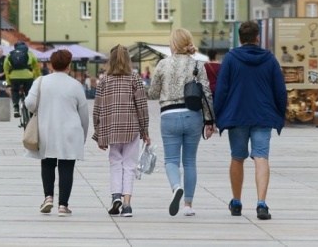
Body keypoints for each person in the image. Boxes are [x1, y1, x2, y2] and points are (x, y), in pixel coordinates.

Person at [214, 20, 287, 221]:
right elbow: (280, 90)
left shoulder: (230, 59)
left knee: (237, 157)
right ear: (257, 38)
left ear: (239, 38)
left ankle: (236, 202)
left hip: (237, 115)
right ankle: (261, 203)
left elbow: (221, 90)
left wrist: (215, 115)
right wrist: (280, 113)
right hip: (263, 115)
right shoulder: (270, 59)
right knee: (261, 157)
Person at [148, 28, 214, 217]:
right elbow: (207, 94)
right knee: (190, 161)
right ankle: (188, 205)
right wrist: (210, 121)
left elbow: (152, 93)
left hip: (169, 116)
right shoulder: (197, 65)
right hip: (193, 115)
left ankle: (176, 187)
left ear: (173, 44)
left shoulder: (163, 64)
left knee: (171, 160)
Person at [24, 49, 89, 216]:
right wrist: (83, 135)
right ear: (69, 65)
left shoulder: (41, 81)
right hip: (70, 131)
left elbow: (29, 103)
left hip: (47, 128)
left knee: (47, 162)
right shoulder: (75, 85)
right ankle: (63, 205)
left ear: (51, 65)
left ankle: (48, 197)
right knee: (67, 166)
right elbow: (84, 114)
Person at [92, 44, 150, 218]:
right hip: (131, 128)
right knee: (129, 166)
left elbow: (97, 108)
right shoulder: (134, 78)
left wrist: (98, 133)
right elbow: (141, 105)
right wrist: (145, 130)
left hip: (111, 129)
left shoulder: (104, 80)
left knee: (115, 163)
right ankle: (126, 205)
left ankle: (115, 195)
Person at [4, 41, 40, 118]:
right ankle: (31, 111)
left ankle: (16, 108)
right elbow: (36, 67)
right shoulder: (29, 53)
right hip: (28, 77)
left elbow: (6, 68)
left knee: (14, 90)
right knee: (29, 92)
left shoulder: (10, 54)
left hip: (14, 77)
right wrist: (37, 78)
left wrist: (8, 81)